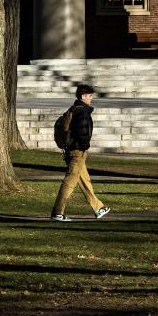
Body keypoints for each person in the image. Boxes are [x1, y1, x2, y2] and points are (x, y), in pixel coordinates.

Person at [50, 83, 112, 223]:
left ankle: (98, 208)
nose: (91, 99)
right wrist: (84, 146)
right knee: (69, 182)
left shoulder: (73, 109)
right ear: (83, 96)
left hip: (72, 150)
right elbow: (82, 132)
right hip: (78, 151)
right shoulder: (82, 112)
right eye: (90, 96)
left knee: (84, 180)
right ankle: (57, 213)